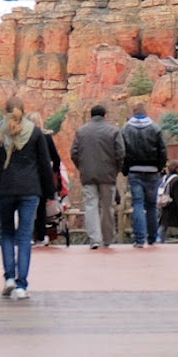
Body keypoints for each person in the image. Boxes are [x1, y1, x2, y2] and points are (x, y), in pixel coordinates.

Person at [0, 96, 57, 299]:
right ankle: (21, 285)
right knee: (25, 236)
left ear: (4, 110)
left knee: (7, 233)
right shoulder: (34, 132)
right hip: (30, 189)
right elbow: (45, 164)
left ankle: (8, 278)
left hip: (4, 188)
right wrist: (50, 193)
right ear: (23, 111)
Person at [69, 104, 124, 249]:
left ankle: (94, 239)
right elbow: (120, 153)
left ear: (91, 116)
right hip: (108, 175)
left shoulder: (81, 132)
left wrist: (82, 167)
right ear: (105, 116)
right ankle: (107, 239)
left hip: (88, 174)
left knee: (90, 205)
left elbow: (74, 153)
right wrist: (116, 170)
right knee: (107, 207)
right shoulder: (113, 131)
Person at [120, 101, 168, 248]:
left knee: (138, 204)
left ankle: (139, 239)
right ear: (146, 112)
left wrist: (125, 169)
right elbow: (163, 151)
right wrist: (159, 167)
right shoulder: (155, 128)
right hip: (153, 172)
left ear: (134, 112)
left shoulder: (126, 129)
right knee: (152, 205)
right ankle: (152, 238)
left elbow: (122, 151)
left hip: (134, 171)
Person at [29, 114, 63, 246]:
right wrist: (54, 171)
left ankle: (29, 235)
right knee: (41, 207)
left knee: (28, 207)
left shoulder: (24, 137)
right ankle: (41, 236)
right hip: (43, 175)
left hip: (29, 175)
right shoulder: (47, 137)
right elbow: (56, 158)